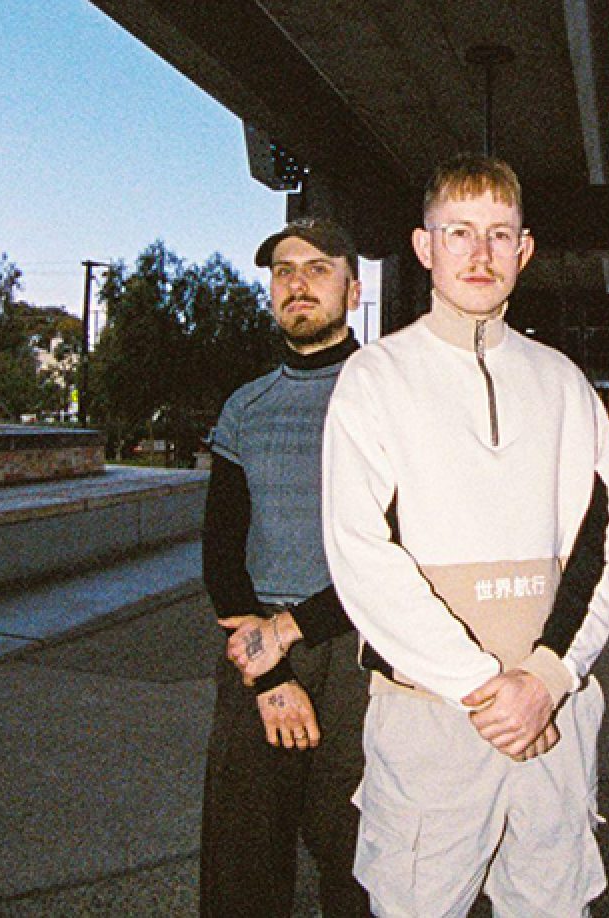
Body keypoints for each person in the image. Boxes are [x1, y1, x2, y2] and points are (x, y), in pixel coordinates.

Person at [319, 153, 609, 917]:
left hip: (551, 723)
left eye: (499, 234)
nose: (480, 253)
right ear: (424, 247)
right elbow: (362, 556)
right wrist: (484, 689)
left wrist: (549, 679)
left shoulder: (563, 381)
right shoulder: (375, 379)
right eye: (458, 232)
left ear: (524, 251)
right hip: (432, 721)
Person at [199, 216, 371, 917]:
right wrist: (268, 671)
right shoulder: (247, 406)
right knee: (241, 866)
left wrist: (297, 629)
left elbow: (405, 545)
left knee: (359, 861)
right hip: (257, 646)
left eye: (318, 268)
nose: (297, 283)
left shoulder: (387, 391)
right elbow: (221, 552)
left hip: (360, 646)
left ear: (353, 291)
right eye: (283, 271)